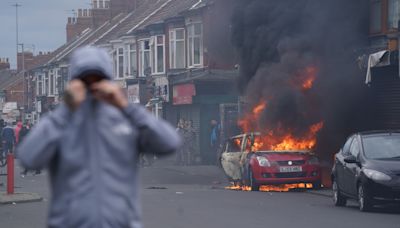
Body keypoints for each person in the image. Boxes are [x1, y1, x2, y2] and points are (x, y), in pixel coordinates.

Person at [17, 46, 181, 228]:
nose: (91, 86)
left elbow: (169, 143)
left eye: (98, 79)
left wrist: (127, 107)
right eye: (84, 80)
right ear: (73, 83)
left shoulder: (125, 119)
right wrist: (65, 110)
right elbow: (28, 158)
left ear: (109, 81)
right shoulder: (61, 122)